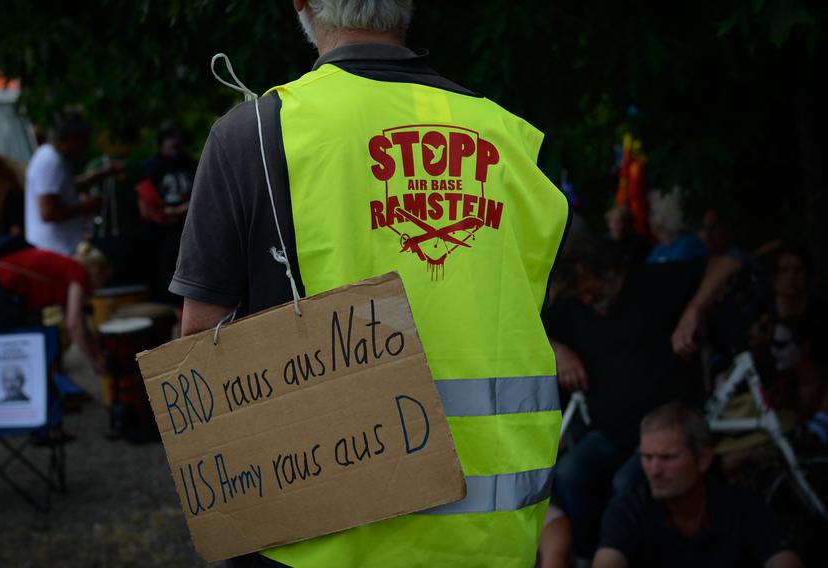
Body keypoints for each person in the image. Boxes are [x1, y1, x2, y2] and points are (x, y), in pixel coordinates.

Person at [170, 1, 570, 565]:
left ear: (302, 4)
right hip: (490, 537)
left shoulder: (257, 133)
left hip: (321, 541)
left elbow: (200, 338)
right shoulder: (508, 137)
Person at [547, 239, 747, 557]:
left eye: (588, 287)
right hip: (610, 432)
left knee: (628, 484)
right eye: (577, 294)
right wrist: (557, 349)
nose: (586, 298)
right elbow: (528, 327)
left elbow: (730, 259)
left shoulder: (654, 281)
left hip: (667, 431)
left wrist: (694, 310)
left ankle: (638, 557)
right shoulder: (574, 306)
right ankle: (591, 556)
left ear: (603, 271)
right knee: (569, 471)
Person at [593, 402, 804, 568]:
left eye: (667, 457)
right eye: (647, 457)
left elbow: (782, 559)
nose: (654, 471)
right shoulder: (629, 510)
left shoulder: (742, 507)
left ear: (703, 459)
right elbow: (608, 560)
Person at [0, 242, 111, 374]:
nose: (98, 289)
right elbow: (74, 325)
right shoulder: (79, 273)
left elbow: (79, 323)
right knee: (21, 348)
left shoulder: (68, 269)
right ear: (97, 270)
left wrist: (96, 352)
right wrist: (94, 360)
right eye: (102, 282)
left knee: (37, 341)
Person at [25, 108, 119, 255]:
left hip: (61, 246)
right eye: (84, 141)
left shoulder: (56, 157)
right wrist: (85, 207)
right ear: (72, 139)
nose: (86, 147)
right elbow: (48, 213)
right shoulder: (51, 161)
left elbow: (65, 189)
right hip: (57, 250)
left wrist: (100, 175)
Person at [136, 121, 197, 304]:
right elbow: (143, 201)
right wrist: (159, 214)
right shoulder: (151, 166)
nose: (175, 144)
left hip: (186, 231)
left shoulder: (192, 165)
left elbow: (204, 196)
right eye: (170, 139)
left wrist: (180, 210)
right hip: (158, 235)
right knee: (161, 280)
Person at [645, 188, 708, 264]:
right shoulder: (658, 250)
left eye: (653, 213)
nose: (648, 219)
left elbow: (672, 273)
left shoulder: (688, 244)